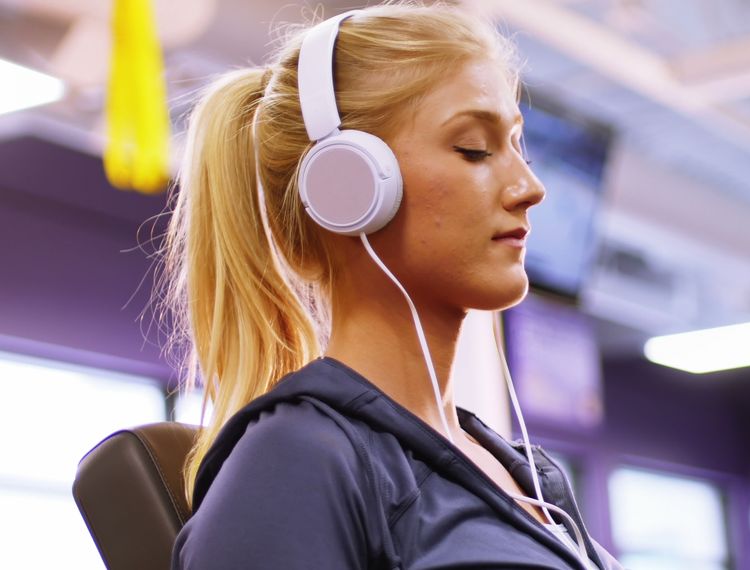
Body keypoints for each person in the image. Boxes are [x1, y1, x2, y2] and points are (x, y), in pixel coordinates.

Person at [164, 3, 622, 569]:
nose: (530, 186)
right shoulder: (299, 460)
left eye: (519, 148)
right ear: (348, 184)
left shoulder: (512, 468)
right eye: (474, 149)